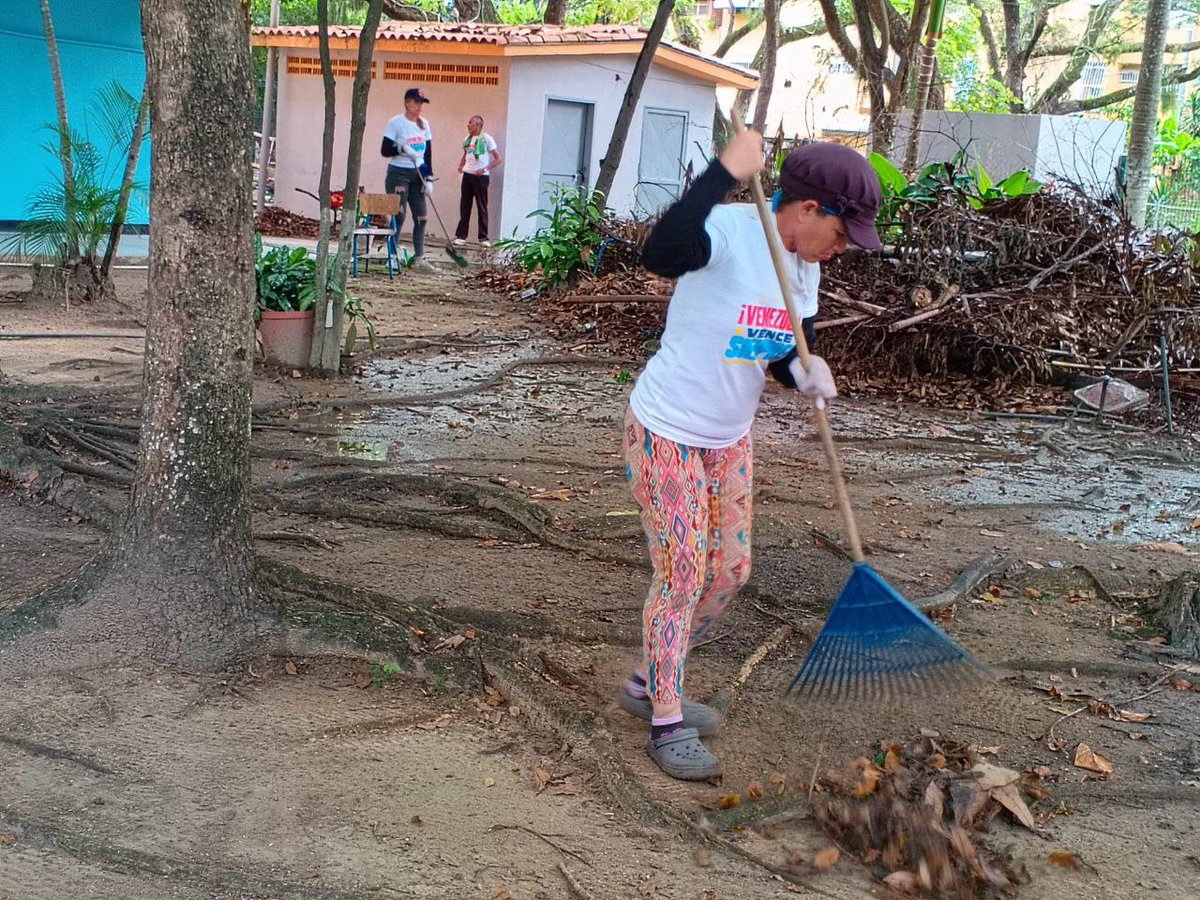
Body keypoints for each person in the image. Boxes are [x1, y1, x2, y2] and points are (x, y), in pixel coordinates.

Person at [615, 129, 883, 781]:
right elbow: (662, 253)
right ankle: (666, 718)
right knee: (682, 570)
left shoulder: (805, 270)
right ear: (811, 209)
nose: (845, 250)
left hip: (728, 438)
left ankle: (652, 679)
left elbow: (785, 352)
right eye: (844, 234)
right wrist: (721, 172)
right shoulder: (731, 232)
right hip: (666, 429)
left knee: (729, 570)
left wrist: (806, 371)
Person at [381, 87, 436, 273]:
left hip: (418, 172)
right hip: (399, 172)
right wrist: (402, 149)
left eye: (421, 103)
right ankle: (393, 257)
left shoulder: (424, 124)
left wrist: (428, 179)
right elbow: (385, 150)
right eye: (416, 102)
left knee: (422, 216)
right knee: (399, 214)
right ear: (407, 102)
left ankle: (419, 259)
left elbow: (427, 153)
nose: (419, 106)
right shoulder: (396, 123)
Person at [454, 115, 502, 247]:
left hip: (481, 176)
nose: (468, 125)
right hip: (467, 174)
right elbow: (466, 154)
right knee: (465, 205)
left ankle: (483, 237)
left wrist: (485, 168)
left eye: (471, 123)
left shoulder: (487, 139)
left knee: (481, 206)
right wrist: (460, 166)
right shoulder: (467, 139)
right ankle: (461, 235)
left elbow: (498, 158)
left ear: (478, 125)